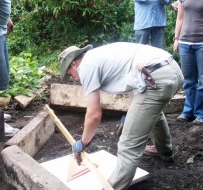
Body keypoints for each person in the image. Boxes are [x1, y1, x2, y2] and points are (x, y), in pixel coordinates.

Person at [59, 42, 184, 190]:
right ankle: (164, 151)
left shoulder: (85, 67)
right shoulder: (99, 56)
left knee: (127, 146)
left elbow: (94, 114)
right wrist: (132, 114)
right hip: (172, 70)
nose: (73, 78)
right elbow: (131, 78)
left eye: (69, 73)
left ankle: (111, 188)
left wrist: (83, 142)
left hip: (155, 77)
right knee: (153, 113)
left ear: (74, 63)